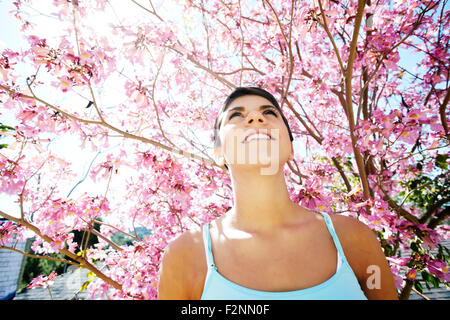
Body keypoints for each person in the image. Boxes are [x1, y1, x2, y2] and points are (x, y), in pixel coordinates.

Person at [157, 87, 399, 300]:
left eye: (269, 113)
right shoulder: (185, 255)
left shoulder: (353, 238)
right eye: (236, 115)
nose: (255, 117)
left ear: (291, 147)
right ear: (218, 153)